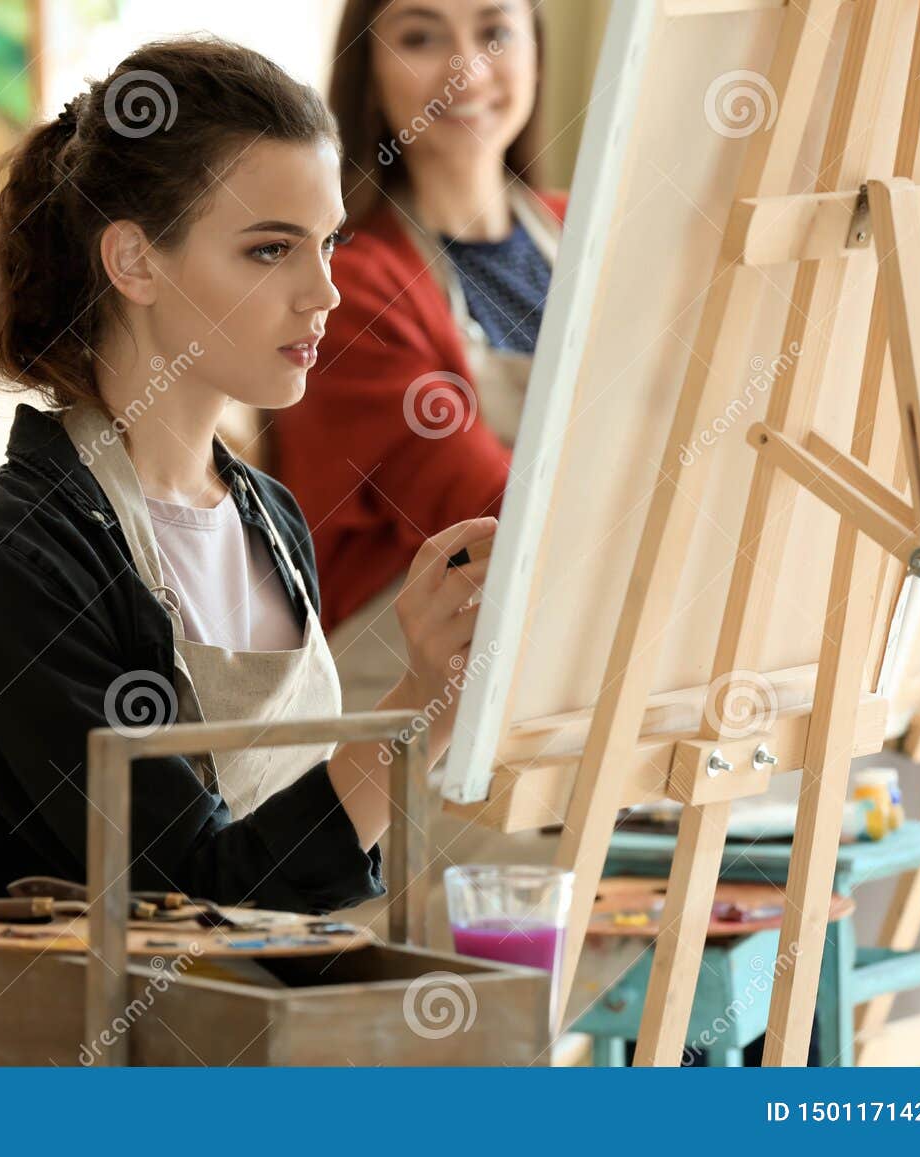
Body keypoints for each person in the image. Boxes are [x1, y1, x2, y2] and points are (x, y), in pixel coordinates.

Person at [0, 35, 494, 1067]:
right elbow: (188, 899)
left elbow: (266, 897)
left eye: (328, 244)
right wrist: (416, 708)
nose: (325, 292)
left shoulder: (267, 515)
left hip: (196, 1016)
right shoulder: (15, 557)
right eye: (269, 250)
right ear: (133, 260)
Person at [269, 0, 569, 950]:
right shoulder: (349, 286)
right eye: (421, 35)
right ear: (367, 66)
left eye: (494, 31)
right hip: (411, 723)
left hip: (564, 684)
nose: (466, 70)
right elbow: (492, 516)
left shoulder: (582, 238)